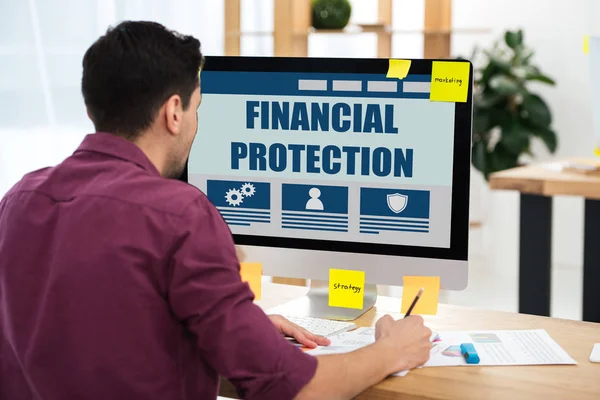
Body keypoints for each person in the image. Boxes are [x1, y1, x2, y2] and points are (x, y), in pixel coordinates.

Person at [0, 21, 432, 400]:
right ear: (174, 111)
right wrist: (390, 350)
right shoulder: (179, 214)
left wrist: (242, 323)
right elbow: (294, 387)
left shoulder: (20, 198)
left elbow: (98, 313)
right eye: (197, 108)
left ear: (93, 107)